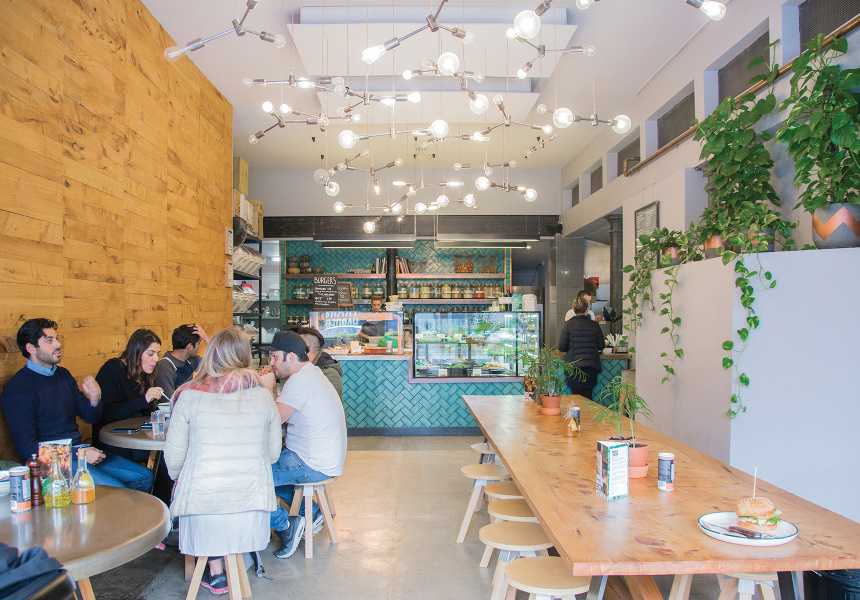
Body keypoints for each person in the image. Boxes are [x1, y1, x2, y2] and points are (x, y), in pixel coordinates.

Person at [164, 327, 281, 595]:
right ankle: (227, 567)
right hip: (250, 509)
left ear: (211, 355)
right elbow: (273, 454)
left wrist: (186, 480)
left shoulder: (187, 395)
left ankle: (216, 571)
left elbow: (173, 459)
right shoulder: (263, 395)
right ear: (245, 356)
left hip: (202, 511)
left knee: (207, 511)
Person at [0, 319, 153, 491]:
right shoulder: (18, 389)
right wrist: (77, 453)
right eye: (49, 340)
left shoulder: (63, 375)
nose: (58, 344)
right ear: (31, 348)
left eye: (56, 338)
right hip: (50, 465)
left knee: (144, 477)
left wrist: (94, 399)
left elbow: (90, 416)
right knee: (116, 489)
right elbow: (28, 450)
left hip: (79, 452)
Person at [261, 331, 347, 560]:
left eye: (274, 357)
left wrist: (268, 388)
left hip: (311, 462)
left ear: (290, 357)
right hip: (323, 459)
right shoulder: (311, 373)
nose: (271, 363)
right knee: (268, 475)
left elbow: (272, 420)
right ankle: (313, 513)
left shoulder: (300, 380)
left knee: (251, 478)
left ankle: (285, 525)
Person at [92, 329, 163, 456]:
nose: (156, 359)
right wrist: (143, 400)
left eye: (157, 354)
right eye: (150, 354)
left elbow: (147, 415)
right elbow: (106, 413)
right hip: (114, 442)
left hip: (139, 436)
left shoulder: (146, 373)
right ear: (136, 352)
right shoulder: (112, 369)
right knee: (165, 456)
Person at [557, 297, 605, 399]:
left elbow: (561, 347)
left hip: (574, 368)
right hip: (591, 367)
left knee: (576, 398)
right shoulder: (594, 325)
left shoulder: (568, 325)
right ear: (587, 309)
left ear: (574, 311)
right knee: (588, 398)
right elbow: (601, 345)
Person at [153, 324, 210, 400]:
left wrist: (206, 338)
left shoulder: (191, 360)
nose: (200, 346)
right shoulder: (164, 366)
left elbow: (217, 363)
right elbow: (169, 399)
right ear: (190, 346)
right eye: (199, 343)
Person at [296, 326, 343, 401]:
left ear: (307, 349)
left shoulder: (329, 372)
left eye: (297, 346)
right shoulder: (307, 367)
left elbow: (329, 403)